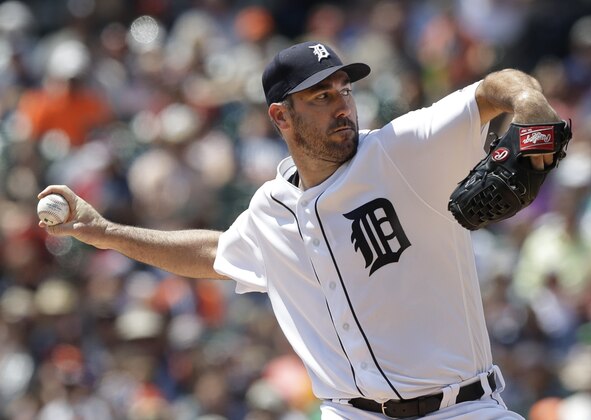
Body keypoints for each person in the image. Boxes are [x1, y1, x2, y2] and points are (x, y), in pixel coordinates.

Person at [39, 41, 563, 419]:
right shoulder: (272, 208)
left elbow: (501, 88)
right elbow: (214, 252)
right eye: (320, 97)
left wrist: (532, 107)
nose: (341, 105)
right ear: (280, 117)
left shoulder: (401, 149)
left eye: (343, 90)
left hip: (461, 410)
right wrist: (105, 231)